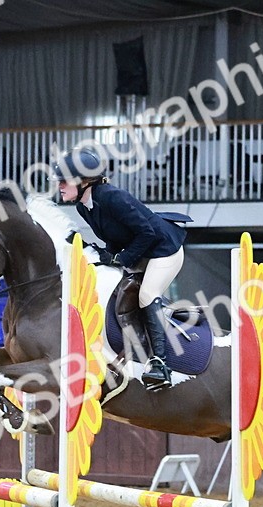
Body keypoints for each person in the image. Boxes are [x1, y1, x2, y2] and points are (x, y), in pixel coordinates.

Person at [52, 148, 187, 390]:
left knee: (147, 294)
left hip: (163, 249)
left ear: (84, 181)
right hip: (141, 249)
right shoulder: (84, 206)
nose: (59, 185)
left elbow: (148, 232)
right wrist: (109, 255)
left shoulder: (113, 197)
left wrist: (121, 259)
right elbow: (114, 234)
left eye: (64, 180)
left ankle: (160, 365)